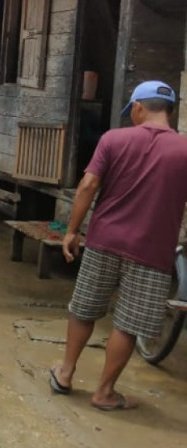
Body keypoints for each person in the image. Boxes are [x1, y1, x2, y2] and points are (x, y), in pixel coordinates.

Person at [50, 81, 187, 411]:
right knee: (127, 323)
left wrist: (71, 231)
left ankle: (65, 374)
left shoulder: (114, 139)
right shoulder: (183, 150)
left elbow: (88, 185)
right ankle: (105, 392)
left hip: (103, 241)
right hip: (152, 252)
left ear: (139, 107)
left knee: (84, 308)